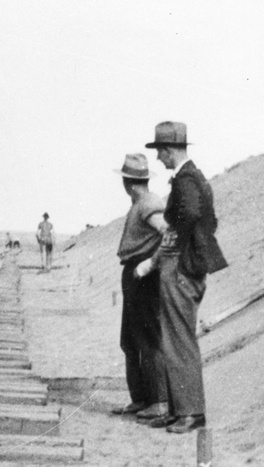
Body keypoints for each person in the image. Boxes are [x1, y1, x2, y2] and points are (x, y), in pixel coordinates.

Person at [137, 122, 227, 434]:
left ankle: (191, 413)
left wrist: (176, 250)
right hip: (187, 266)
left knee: (179, 341)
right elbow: (209, 221)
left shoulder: (187, 179)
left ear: (170, 149)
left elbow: (188, 216)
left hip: (181, 269)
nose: (159, 158)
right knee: (174, 339)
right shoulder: (195, 178)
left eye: (160, 151)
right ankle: (180, 411)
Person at [110, 153, 169, 420]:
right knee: (130, 341)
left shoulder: (149, 204)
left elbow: (167, 234)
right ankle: (141, 399)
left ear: (128, 182)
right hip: (134, 276)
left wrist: (151, 264)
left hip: (145, 278)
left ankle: (159, 401)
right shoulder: (141, 203)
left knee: (148, 339)